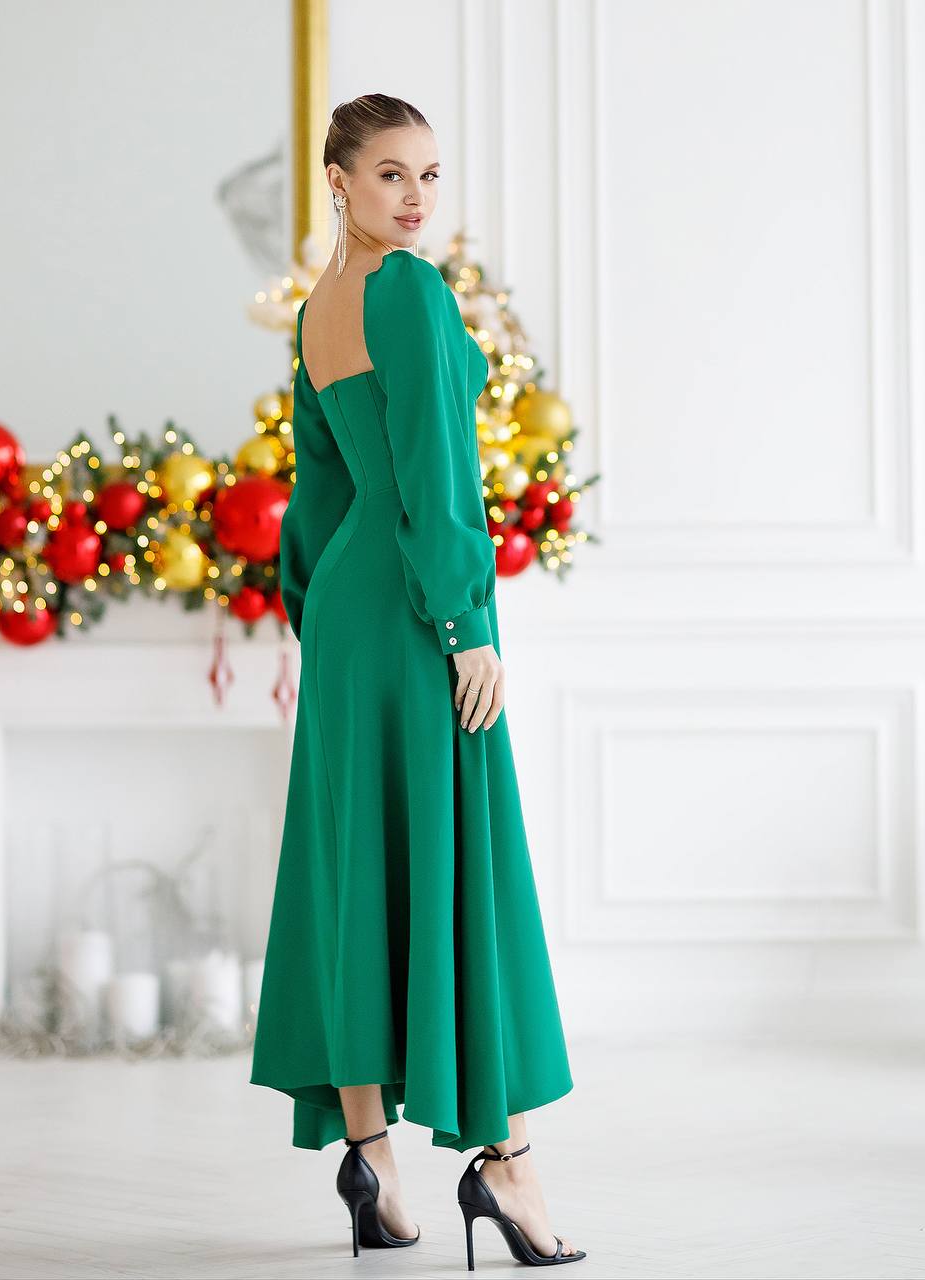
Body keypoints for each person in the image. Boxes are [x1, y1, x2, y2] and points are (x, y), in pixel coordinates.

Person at [250, 93, 585, 1269]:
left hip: (345, 621)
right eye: (392, 174)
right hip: (410, 612)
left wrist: (315, 621)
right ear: (338, 182)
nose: (417, 199)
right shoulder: (406, 291)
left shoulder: (318, 310)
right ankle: (504, 1164)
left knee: (358, 874)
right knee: (456, 868)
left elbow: (318, 495)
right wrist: (462, 623)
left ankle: (372, 1163)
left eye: (431, 176)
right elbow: (439, 469)